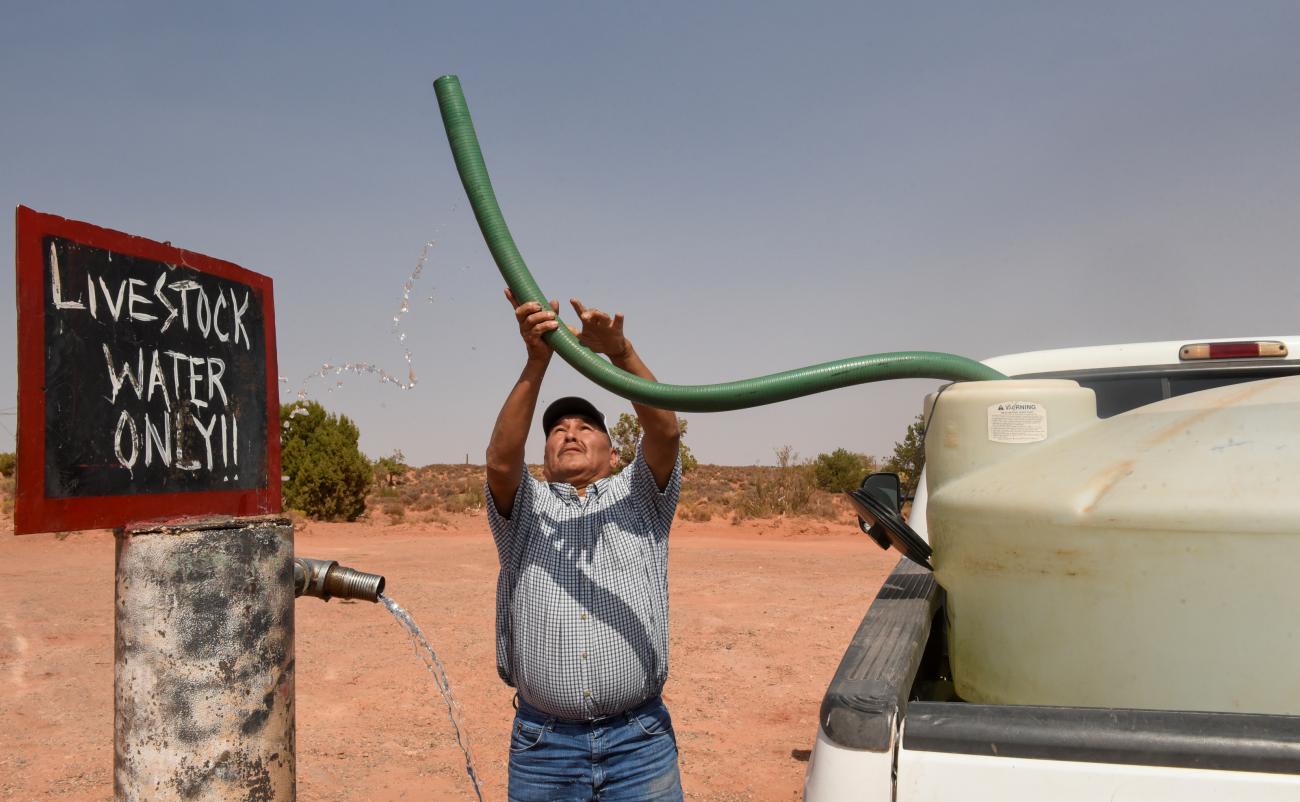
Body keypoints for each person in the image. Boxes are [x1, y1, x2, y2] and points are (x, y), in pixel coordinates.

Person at [484, 288, 684, 802]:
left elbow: (664, 431)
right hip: (544, 746)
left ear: (614, 453)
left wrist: (620, 354)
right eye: (557, 430)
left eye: (586, 426)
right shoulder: (526, 508)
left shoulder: (642, 497)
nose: (569, 433)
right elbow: (501, 463)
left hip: (638, 741)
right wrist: (536, 362)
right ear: (545, 457)